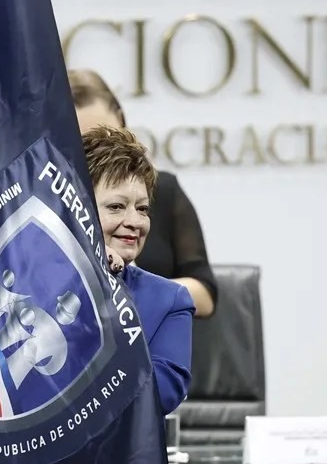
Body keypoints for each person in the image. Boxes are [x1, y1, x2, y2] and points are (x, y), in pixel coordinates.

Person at [83, 125, 194, 464]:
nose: (134, 222)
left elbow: (155, 395)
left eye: (142, 209)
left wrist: (107, 294)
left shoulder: (170, 300)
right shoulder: (28, 288)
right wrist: (81, 279)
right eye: (116, 206)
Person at [69, 68, 217, 318]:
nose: (98, 151)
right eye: (84, 143)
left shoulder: (164, 190)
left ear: (122, 121)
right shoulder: (50, 202)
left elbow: (204, 293)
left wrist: (137, 290)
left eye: (142, 209)